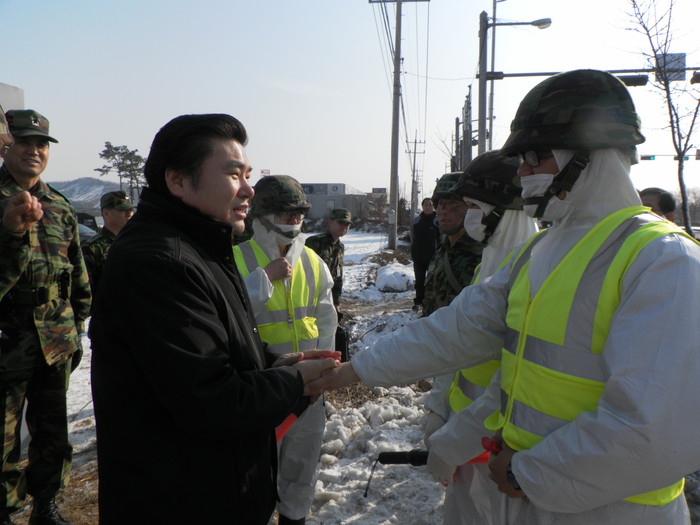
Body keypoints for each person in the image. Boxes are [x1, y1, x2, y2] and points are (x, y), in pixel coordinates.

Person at [307, 70, 700, 524]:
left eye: (535, 159)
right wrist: (349, 372)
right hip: (527, 493)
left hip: (610, 510)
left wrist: (528, 471)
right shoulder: (541, 252)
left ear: (589, 157)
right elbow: (457, 329)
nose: (524, 175)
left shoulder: (662, 260)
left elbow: (653, 429)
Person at [89, 114, 338, 525]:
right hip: (180, 501)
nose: (248, 189)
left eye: (248, 174)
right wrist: (293, 381)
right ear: (178, 181)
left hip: (213, 486)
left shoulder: (203, 248)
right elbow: (211, 401)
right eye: (232, 174)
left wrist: (275, 366)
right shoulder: (159, 262)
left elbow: (218, 354)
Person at [423, 151, 538, 525]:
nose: (466, 213)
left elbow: (510, 383)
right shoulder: (491, 265)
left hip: (500, 447)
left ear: (501, 210)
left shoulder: (530, 274)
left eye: (473, 205)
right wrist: (439, 406)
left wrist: (453, 441)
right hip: (465, 433)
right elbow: (455, 338)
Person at [0, 109, 91, 525]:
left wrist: (77, 326)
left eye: (41, 145)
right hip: (6, 338)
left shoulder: (60, 206)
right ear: (7, 147)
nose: (34, 151)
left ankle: (46, 504)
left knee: (53, 431)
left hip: (55, 337)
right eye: (24, 142)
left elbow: (77, 275)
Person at [233, 175, 337, 525]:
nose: (293, 222)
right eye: (284, 214)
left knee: (301, 465)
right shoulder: (236, 259)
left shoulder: (312, 261)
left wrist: (322, 371)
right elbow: (227, 316)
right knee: (256, 468)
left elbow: (326, 320)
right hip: (257, 385)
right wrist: (264, 278)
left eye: (298, 215)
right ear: (261, 215)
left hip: (307, 387)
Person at [421, 173, 484, 317]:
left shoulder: (483, 254)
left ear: (472, 208)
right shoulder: (442, 251)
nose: (444, 211)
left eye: (453, 205)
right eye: (440, 205)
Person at [80, 190, 134, 295]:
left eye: (130, 210)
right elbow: (86, 290)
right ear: (106, 213)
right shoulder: (92, 248)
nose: (129, 214)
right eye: (123, 210)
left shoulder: (136, 243)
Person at [305, 208, 352, 310]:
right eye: (341, 222)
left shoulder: (340, 247)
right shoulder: (315, 242)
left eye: (347, 224)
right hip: (311, 297)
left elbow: (338, 276)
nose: (344, 227)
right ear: (330, 222)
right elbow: (305, 272)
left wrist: (336, 302)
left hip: (327, 297)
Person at [410, 197, 439, 311]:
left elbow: (442, 238)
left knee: (433, 281)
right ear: (422, 206)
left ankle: (433, 302)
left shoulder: (437, 221)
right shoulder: (416, 221)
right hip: (418, 256)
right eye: (426, 204)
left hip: (433, 257)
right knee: (419, 281)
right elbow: (412, 236)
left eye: (431, 205)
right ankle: (418, 302)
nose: (428, 206)